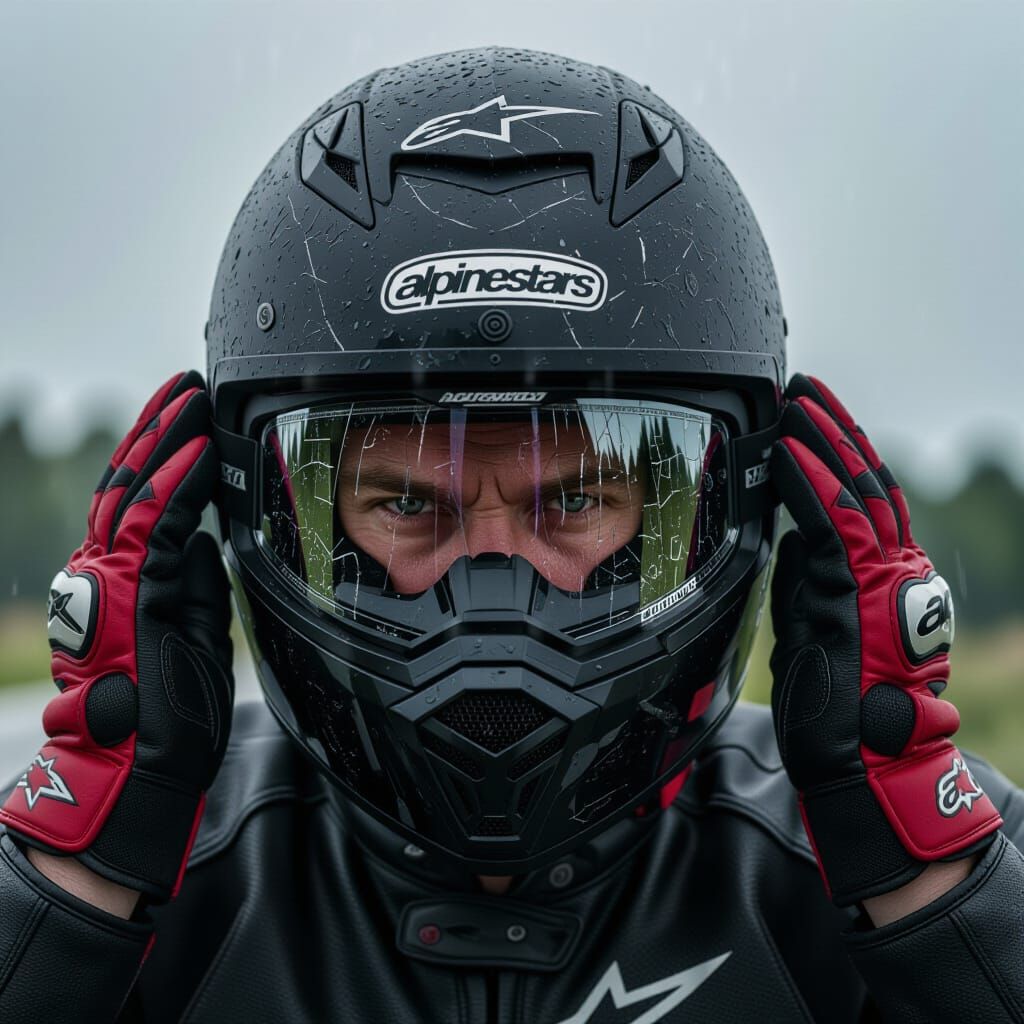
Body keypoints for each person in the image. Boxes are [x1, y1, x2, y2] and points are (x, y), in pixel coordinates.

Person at [1, 47, 1021, 1024]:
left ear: (722, 506)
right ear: (270, 512)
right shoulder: (159, 863)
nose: (494, 589)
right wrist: (87, 872)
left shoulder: (872, 851)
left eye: (573, 501)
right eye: (408, 504)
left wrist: (918, 881)